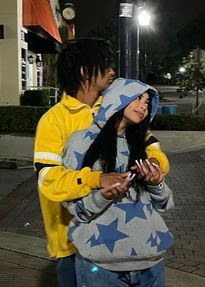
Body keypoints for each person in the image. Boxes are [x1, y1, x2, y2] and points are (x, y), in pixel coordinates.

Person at [34, 39, 169, 287]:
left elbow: (151, 148)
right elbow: (48, 180)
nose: (112, 71)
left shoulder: (115, 106)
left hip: (126, 243)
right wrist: (95, 179)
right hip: (71, 242)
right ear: (85, 71)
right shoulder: (53, 120)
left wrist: (154, 167)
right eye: (105, 65)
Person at [63, 78, 174, 287]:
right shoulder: (81, 141)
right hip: (101, 266)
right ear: (116, 97)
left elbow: (165, 203)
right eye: (138, 98)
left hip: (151, 262)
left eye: (148, 103)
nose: (143, 106)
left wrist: (156, 183)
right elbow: (73, 207)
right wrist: (102, 196)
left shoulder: (141, 146)